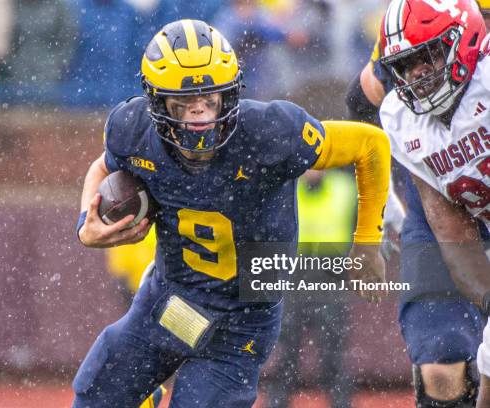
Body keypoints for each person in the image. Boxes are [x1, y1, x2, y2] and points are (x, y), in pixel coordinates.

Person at [73, 19, 390, 407]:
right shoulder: (132, 128)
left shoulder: (270, 131)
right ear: (157, 102)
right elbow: (105, 166)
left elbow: (371, 145)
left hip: (242, 320)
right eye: (184, 105)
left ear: (231, 94)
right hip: (170, 296)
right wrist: (86, 225)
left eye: (210, 100)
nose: (200, 116)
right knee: (97, 393)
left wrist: (368, 245)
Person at [345, 1, 490, 406]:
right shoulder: (401, 110)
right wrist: (383, 194)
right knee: (441, 366)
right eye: (408, 65)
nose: (417, 76)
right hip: (450, 199)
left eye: (427, 58)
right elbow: (360, 102)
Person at [261, 169, 357, 408]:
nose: (315, 168)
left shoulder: (345, 188)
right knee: (285, 350)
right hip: (292, 275)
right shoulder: (285, 187)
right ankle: (277, 403)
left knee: (332, 352)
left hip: (330, 275)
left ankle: (341, 403)